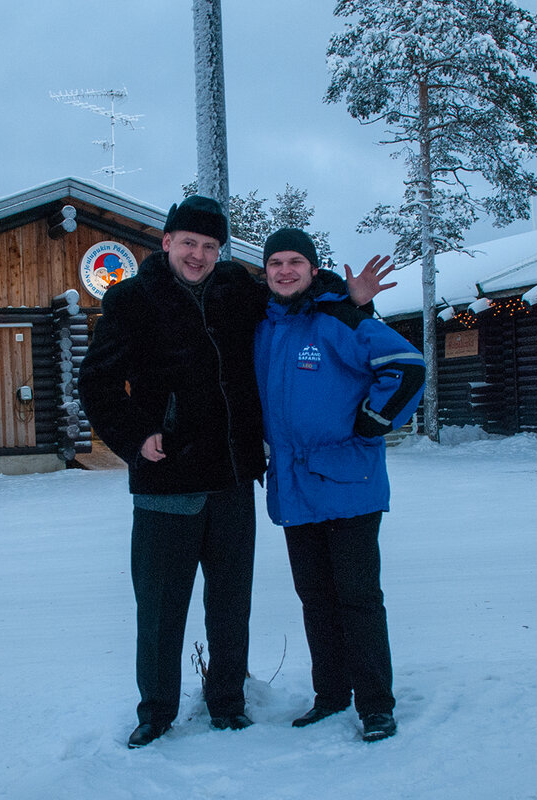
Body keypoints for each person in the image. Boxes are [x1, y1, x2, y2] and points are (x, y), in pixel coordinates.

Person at [79, 197, 392, 750]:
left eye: (209, 246)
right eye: (189, 243)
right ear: (167, 242)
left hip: (231, 478)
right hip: (165, 480)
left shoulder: (236, 291)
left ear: (219, 250)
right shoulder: (129, 300)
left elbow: (295, 294)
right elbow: (98, 384)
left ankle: (226, 702)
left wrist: (351, 299)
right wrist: (133, 438)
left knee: (230, 603)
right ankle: (156, 711)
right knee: (159, 608)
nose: (198, 255)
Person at [253, 228, 425, 743]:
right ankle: (330, 695)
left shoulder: (340, 318)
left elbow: (407, 368)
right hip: (295, 486)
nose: (284, 270)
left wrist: (375, 420)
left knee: (357, 598)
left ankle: (376, 705)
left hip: (349, 481)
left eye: (295, 262)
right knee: (316, 599)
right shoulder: (265, 326)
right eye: (275, 262)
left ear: (312, 268)